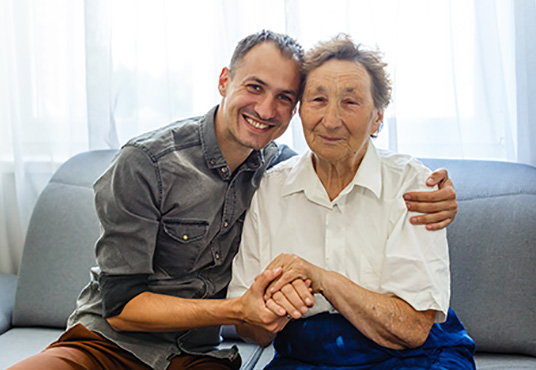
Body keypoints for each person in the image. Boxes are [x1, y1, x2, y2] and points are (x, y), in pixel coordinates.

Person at [9, 30, 457, 370]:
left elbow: (347, 161)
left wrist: (446, 199)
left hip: (197, 356)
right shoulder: (148, 162)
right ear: (225, 81)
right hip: (106, 344)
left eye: (284, 97)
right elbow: (122, 309)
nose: (266, 110)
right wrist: (245, 310)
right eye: (255, 87)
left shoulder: (278, 170)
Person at [227, 34, 475, 369]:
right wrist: (269, 309)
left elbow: (413, 329)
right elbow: (250, 330)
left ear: (377, 118)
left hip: (414, 356)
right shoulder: (270, 187)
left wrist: (322, 279)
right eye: (318, 100)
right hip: (305, 357)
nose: (330, 120)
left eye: (350, 102)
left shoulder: (414, 184)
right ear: (299, 111)